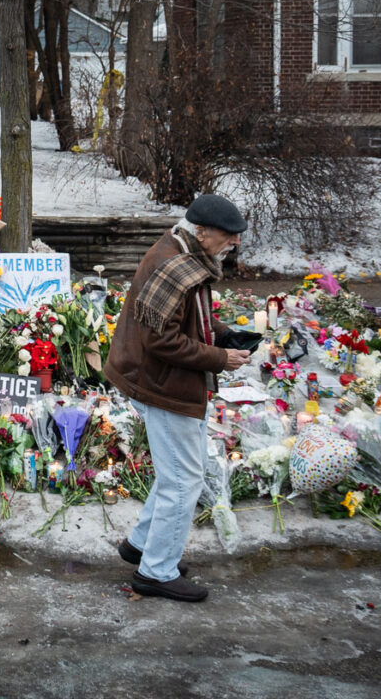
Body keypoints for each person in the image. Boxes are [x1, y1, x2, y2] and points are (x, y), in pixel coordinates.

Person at [103, 194, 251, 602]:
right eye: (228, 235)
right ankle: (156, 572)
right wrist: (220, 357)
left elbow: (184, 314)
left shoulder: (183, 250)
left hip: (156, 379)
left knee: (177, 475)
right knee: (185, 480)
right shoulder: (176, 264)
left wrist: (220, 332)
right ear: (202, 230)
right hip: (163, 384)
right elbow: (160, 338)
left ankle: (141, 545)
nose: (233, 243)